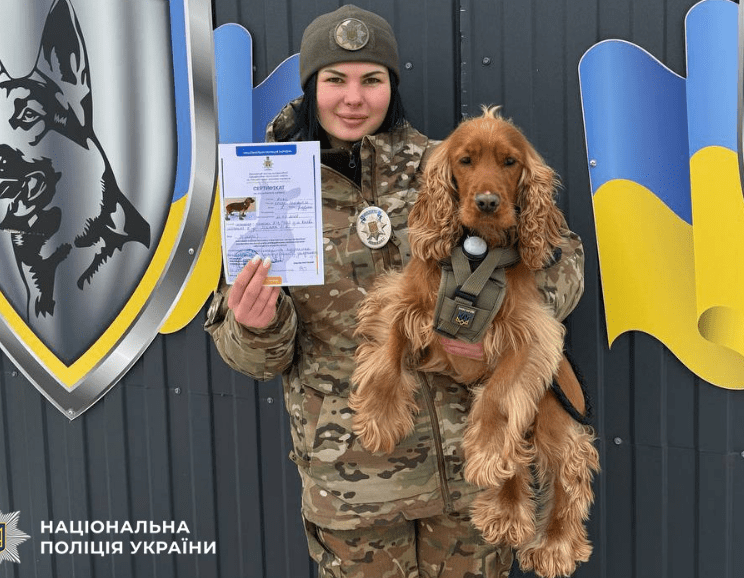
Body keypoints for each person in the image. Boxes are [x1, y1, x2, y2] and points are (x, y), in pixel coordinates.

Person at [205, 5, 584, 577]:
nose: (353, 98)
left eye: (372, 80)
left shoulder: (450, 162)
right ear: (311, 88)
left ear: (392, 87)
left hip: (473, 473)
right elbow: (255, 358)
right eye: (336, 79)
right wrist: (256, 326)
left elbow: (562, 257)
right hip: (352, 484)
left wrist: (505, 316)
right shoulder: (263, 189)